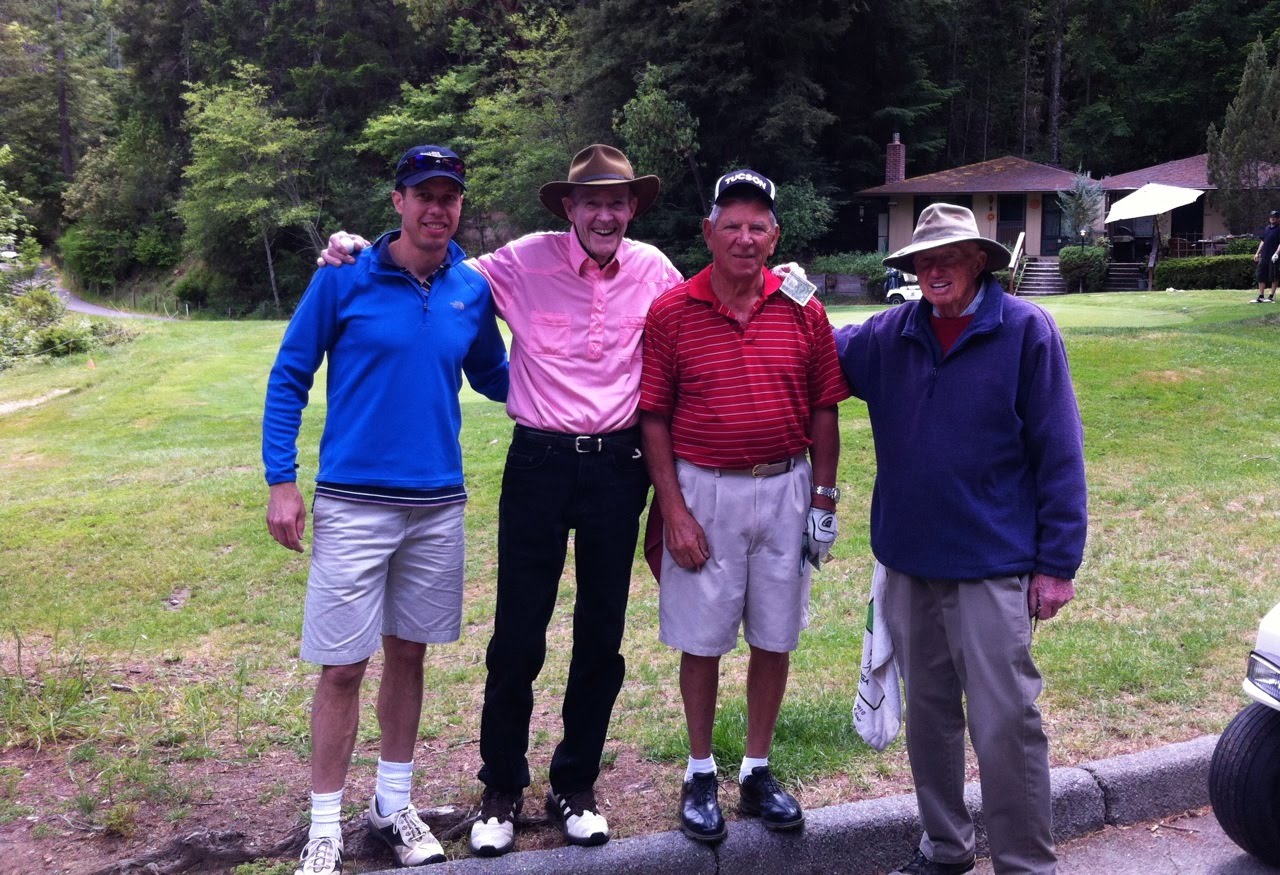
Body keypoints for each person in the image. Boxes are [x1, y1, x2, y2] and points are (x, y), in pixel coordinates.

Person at [319, 144, 683, 856]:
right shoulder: (519, 262)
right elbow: (428, 265)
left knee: (601, 634)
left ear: (632, 207)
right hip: (539, 461)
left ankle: (576, 784)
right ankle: (501, 789)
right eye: (591, 202)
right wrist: (359, 249)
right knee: (518, 632)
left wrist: (781, 281)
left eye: (617, 201)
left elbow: (703, 314)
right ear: (569, 209)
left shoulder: (656, 271)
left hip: (618, 466)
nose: (605, 213)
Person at [263, 145, 509, 875]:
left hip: (436, 505)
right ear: (397, 200)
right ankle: (325, 825)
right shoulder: (345, 278)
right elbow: (289, 374)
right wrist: (283, 479)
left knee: (409, 653)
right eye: (424, 194)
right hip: (354, 503)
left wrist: (584, 367)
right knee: (342, 666)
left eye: (451, 196)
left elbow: (498, 377)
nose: (438, 208)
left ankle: (391, 805)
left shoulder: (470, 287)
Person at [833, 203, 1087, 875]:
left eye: (949, 255)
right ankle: (945, 847)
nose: (934, 268)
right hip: (910, 562)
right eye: (923, 259)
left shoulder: (1027, 332)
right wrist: (781, 290)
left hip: (994, 565)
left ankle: (1026, 863)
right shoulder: (890, 335)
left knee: (1007, 725)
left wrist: (1057, 563)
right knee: (930, 719)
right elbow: (815, 347)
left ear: (979, 260)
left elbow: (1060, 451)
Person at [639, 169, 849, 843]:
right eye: (731, 223)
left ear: (776, 235)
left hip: (786, 486)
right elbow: (654, 418)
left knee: (775, 634)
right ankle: (701, 772)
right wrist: (673, 510)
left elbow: (824, 406)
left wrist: (824, 496)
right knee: (702, 638)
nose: (745, 236)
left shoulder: (802, 306)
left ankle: (756, 770)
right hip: (705, 487)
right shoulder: (673, 310)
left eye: (758, 225)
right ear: (708, 232)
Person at [1252, 209, 1280, 303]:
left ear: (1278, 219)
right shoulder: (1267, 228)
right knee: (1260, 275)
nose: (1273, 219)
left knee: (1273, 276)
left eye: (1275, 217)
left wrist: (1276, 253)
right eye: (1271, 217)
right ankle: (1261, 295)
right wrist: (1257, 253)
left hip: (1274, 257)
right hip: (1264, 255)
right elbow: (1263, 241)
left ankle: (1271, 296)